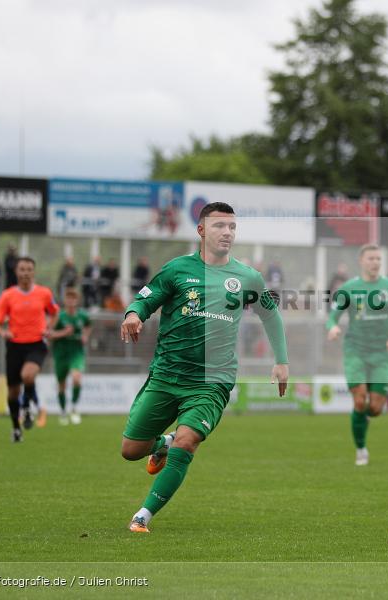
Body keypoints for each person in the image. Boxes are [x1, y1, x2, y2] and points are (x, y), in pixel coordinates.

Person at [119, 201, 289, 533]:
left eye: (232, 227)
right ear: (201, 230)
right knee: (131, 450)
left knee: (188, 440)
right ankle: (160, 445)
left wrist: (281, 361)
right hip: (167, 374)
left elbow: (271, 314)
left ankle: (144, 515)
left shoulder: (247, 277)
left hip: (213, 380)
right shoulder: (176, 270)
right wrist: (133, 314)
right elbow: (145, 298)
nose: (227, 233)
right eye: (219, 226)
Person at [326, 244, 388, 467]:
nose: (375, 262)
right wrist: (332, 327)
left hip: (381, 354)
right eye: (371, 258)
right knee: (360, 400)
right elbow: (332, 317)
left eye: (378, 259)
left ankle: (367, 417)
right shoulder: (349, 288)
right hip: (356, 351)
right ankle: (361, 449)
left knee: (376, 408)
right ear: (361, 261)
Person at [0, 257, 59, 441]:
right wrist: (3, 333)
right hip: (14, 345)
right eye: (22, 269)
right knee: (13, 391)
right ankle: (15, 428)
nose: (25, 273)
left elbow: (54, 311)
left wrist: (49, 328)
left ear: (34, 272)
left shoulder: (44, 293)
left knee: (28, 375)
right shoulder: (8, 295)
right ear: (16, 272)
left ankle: (27, 406)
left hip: (36, 343)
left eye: (29, 269)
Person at [50, 288, 91, 425]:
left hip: (76, 352)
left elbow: (88, 326)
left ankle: (73, 408)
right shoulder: (59, 316)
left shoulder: (82, 316)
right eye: (69, 299)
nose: (71, 301)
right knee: (62, 384)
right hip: (61, 353)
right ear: (65, 301)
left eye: (74, 299)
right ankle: (62, 411)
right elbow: (49, 334)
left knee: (76, 379)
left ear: (77, 301)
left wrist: (85, 336)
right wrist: (64, 333)